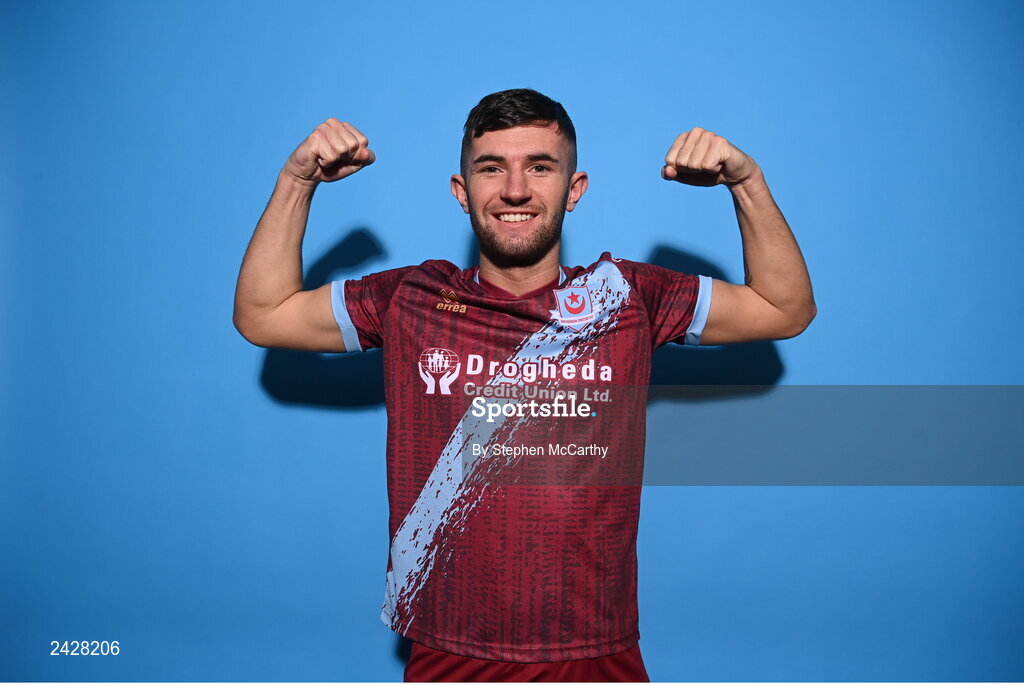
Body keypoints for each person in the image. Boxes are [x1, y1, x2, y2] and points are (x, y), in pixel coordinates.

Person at [233, 88, 815, 682]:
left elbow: (784, 307)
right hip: (449, 646)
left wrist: (746, 183)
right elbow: (263, 314)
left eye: (540, 167)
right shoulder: (412, 298)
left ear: (574, 189)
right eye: (492, 168)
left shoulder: (625, 296)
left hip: (594, 649)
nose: (515, 190)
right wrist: (296, 181)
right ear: (462, 192)